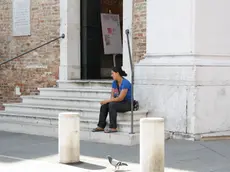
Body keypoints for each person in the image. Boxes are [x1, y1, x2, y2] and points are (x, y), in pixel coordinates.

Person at [92, 66, 132, 133]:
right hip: (118, 103)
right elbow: (112, 97)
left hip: (127, 103)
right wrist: (107, 102)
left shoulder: (125, 83)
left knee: (112, 105)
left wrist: (107, 101)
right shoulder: (114, 83)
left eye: (112, 73)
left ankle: (113, 127)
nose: (111, 75)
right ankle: (101, 126)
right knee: (104, 105)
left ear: (117, 73)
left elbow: (120, 98)